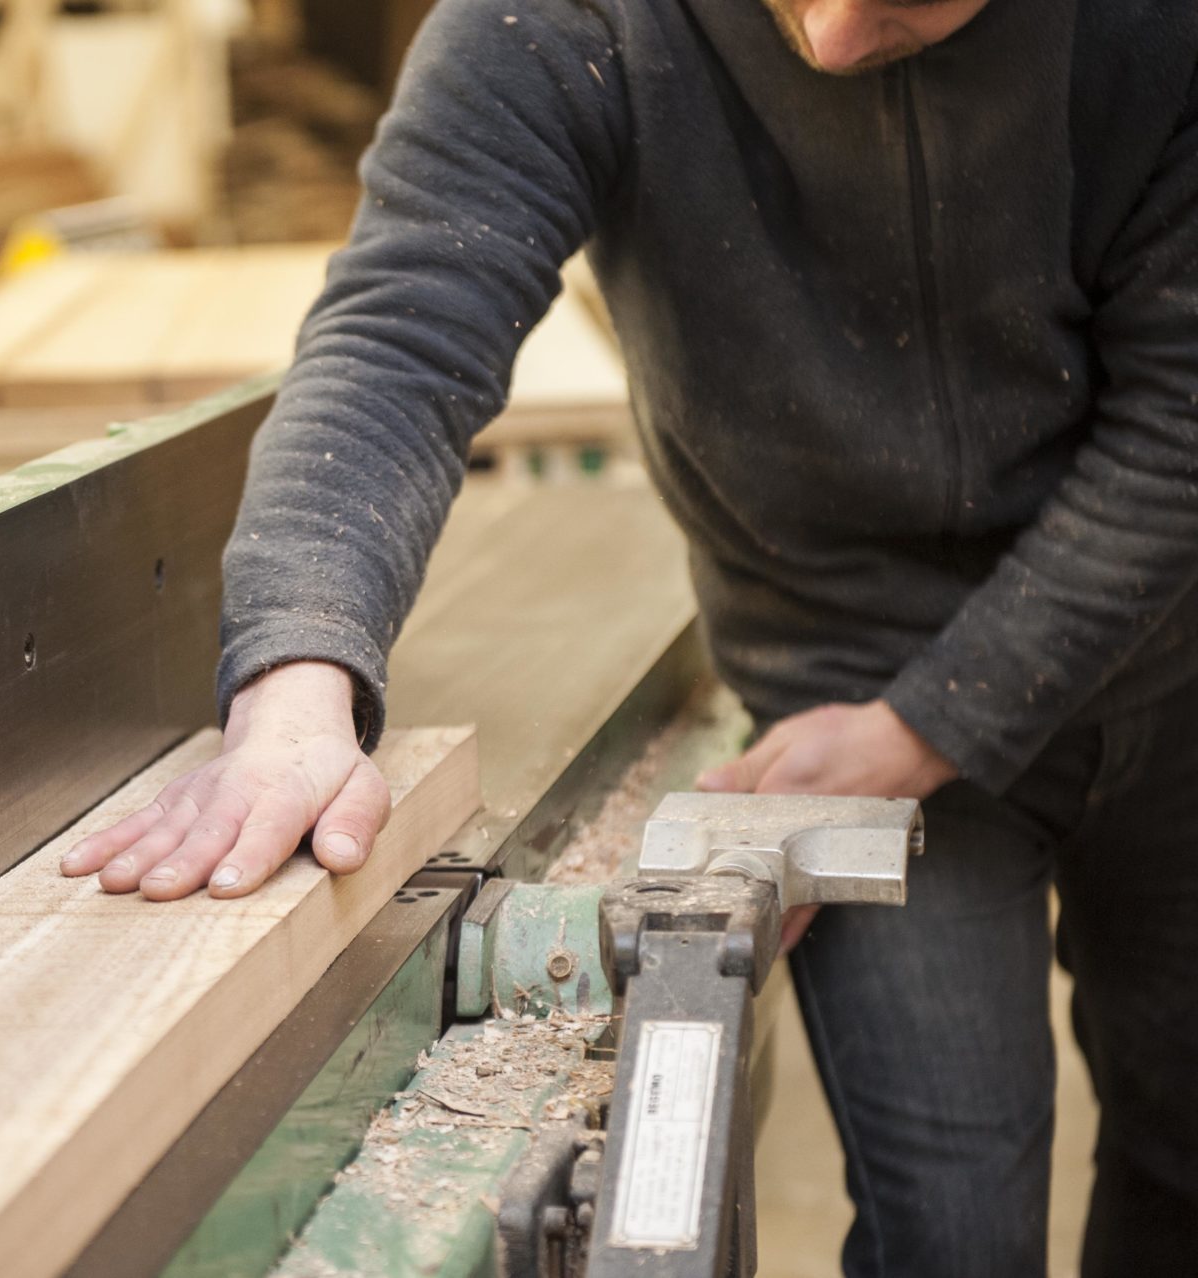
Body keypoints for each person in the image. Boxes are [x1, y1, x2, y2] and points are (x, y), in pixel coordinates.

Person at [59, 0, 1198, 1272]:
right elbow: (400, 339)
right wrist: (297, 679)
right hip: (845, 674)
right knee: (957, 1234)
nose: (832, 40)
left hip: (1168, 651)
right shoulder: (563, 18)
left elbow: (1182, 427)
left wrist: (932, 725)